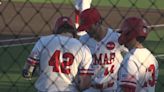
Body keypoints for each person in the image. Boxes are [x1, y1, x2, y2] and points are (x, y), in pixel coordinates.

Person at [22, 16, 93, 92]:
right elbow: (84, 83)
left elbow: (27, 72)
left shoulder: (43, 41)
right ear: (73, 31)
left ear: (56, 29)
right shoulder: (83, 48)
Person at [78, 8, 127, 92]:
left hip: (112, 88)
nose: (87, 31)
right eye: (85, 28)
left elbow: (132, 51)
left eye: (89, 27)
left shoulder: (115, 37)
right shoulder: (83, 40)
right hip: (91, 88)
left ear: (98, 22)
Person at [118, 17, 159, 92]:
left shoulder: (131, 59)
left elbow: (128, 89)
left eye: (124, 32)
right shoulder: (152, 58)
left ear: (129, 34)